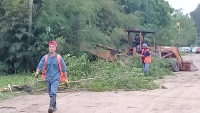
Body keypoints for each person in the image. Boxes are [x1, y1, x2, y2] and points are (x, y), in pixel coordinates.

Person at [35, 41, 69, 113]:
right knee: (50, 92)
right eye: (50, 47)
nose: (51, 48)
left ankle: (50, 107)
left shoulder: (59, 58)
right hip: (48, 78)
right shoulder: (45, 57)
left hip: (56, 78)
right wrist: (37, 72)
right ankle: (54, 105)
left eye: (52, 47)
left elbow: (64, 69)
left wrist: (66, 79)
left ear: (55, 48)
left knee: (53, 92)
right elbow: (40, 65)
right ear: (48, 48)